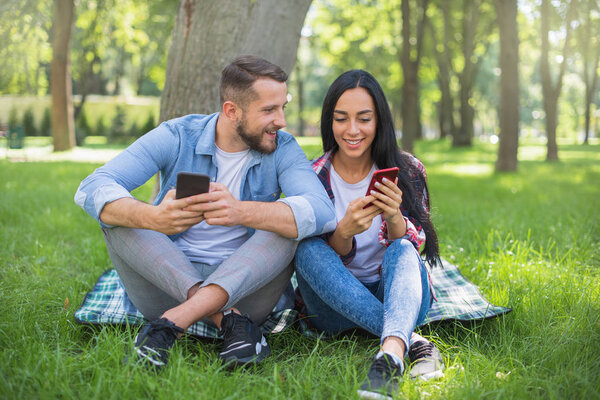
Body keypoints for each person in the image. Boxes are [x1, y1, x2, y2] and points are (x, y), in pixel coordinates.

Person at [74, 55, 336, 369]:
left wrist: (241, 211)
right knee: (117, 215)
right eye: (269, 110)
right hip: (165, 283)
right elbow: (92, 187)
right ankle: (231, 324)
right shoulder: (177, 135)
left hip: (246, 290)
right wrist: (153, 217)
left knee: (290, 223)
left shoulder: (282, 147)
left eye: (283, 107)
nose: (280, 120)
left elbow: (322, 212)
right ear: (231, 110)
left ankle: (171, 323)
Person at [294, 70, 443, 399]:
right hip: (331, 309)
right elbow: (316, 263)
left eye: (364, 119)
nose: (352, 130)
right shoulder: (312, 176)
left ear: (380, 122)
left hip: (398, 297)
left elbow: (418, 250)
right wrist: (343, 233)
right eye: (341, 118)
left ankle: (389, 356)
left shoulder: (408, 170)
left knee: (402, 249)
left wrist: (393, 217)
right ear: (329, 121)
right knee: (306, 251)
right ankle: (412, 341)